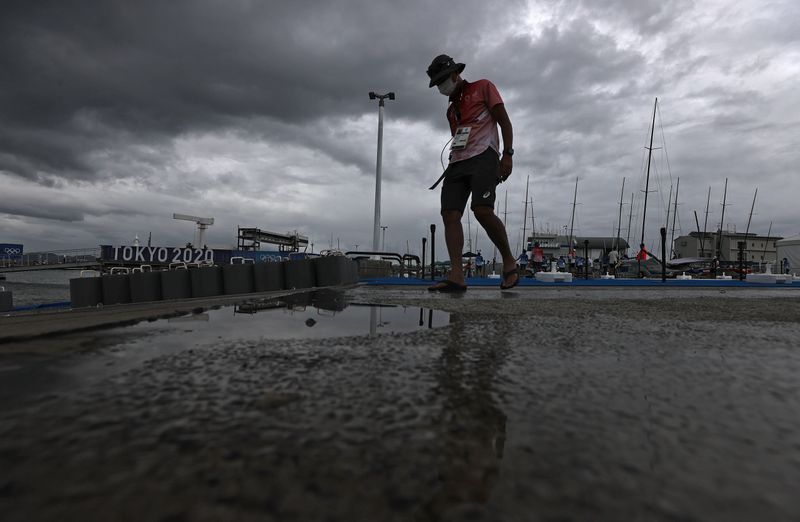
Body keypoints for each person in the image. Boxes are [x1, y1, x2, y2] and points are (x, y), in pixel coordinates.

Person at [426, 54, 518, 292]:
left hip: (484, 157)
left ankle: (509, 263)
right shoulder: (450, 111)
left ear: (455, 74)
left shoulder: (483, 87)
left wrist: (507, 154)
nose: (441, 86)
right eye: (437, 83)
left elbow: (504, 122)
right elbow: (458, 138)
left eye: (443, 80)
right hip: (458, 162)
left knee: (482, 210)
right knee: (449, 214)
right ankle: (456, 276)